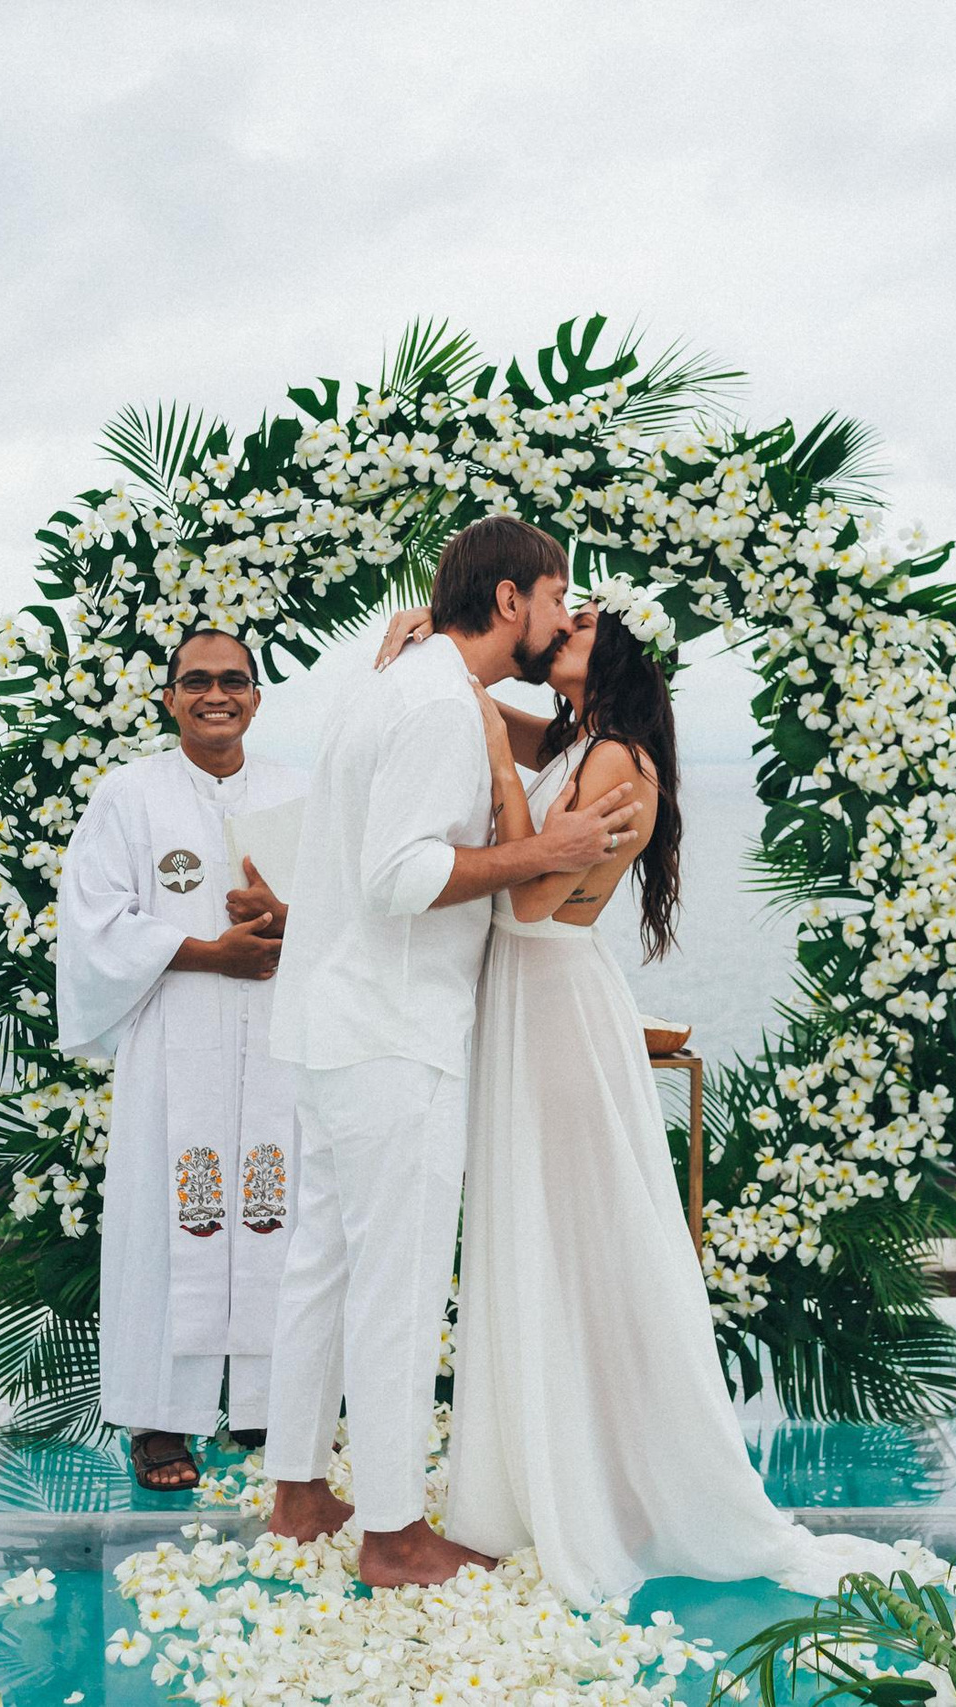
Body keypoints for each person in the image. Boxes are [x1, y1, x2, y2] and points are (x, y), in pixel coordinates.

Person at [371, 601, 904, 1607]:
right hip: (521, 1001)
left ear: (605, 656)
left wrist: (494, 763)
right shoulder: (575, 739)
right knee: (534, 1234)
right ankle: (539, 1475)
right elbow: (471, 701)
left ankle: (611, 1486)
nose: (550, 634)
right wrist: (420, 659)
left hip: (556, 1001)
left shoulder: (617, 763)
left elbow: (532, 900)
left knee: (581, 1236)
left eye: (569, 628)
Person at [262, 517, 640, 1588]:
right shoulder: (432, 702)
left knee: (323, 1267)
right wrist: (548, 850)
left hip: (329, 1025)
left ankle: (296, 1492)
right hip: (391, 1034)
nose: (569, 614)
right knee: (397, 1281)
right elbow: (400, 875)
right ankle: (389, 1533)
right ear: (511, 600)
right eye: (560, 594)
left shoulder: (406, 683)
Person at [53, 629, 306, 1493]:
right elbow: (94, 925)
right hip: (179, 1038)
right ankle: (161, 1420)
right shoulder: (128, 798)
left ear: (256, 697)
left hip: (277, 1040)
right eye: (195, 681)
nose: (215, 694)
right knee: (173, 1218)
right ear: (168, 698)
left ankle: (274, 1404)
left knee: (279, 1208)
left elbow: (347, 915)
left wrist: (283, 929)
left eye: (233, 680)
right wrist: (210, 951)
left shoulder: (296, 794)